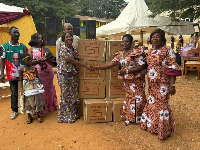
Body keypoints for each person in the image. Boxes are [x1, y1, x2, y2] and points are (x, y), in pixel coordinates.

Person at [91, 34, 147, 125]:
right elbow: (110, 65)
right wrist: (96, 67)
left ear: (131, 43)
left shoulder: (136, 53)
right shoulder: (120, 54)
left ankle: (141, 117)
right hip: (127, 81)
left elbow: (141, 66)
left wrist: (126, 71)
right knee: (130, 98)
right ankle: (130, 117)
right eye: (123, 41)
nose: (124, 43)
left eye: (127, 41)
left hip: (137, 80)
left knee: (139, 99)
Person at [140, 29, 181, 140]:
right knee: (152, 103)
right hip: (152, 84)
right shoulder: (150, 51)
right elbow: (145, 65)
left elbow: (172, 67)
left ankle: (163, 130)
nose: (155, 38)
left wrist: (172, 85)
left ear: (162, 38)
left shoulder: (168, 50)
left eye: (157, 36)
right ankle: (153, 126)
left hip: (163, 84)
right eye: (153, 37)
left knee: (162, 104)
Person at [57, 32, 90, 123]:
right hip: (64, 76)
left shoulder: (74, 49)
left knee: (74, 95)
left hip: (73, 75)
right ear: (64, 39)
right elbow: (72, 61)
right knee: (66, 96)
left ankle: (74, 114)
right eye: (67, 37)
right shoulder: (63, 49)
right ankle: (66, 117)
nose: (69, 38)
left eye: (70, 36)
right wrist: (86, 66)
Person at [0, 26, 28, 120]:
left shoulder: (23, 47)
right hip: (11, 75)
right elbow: (2, 60)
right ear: (10, 33)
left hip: (23, 75)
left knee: (26, 91)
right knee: (14, 93)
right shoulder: (4, 47)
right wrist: (2, 73)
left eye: (18, 32)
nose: (17, 34)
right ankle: (15, 110)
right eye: (15, 32)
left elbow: (27, 60)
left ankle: (27, 109)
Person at [28, 33, 58, 113]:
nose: (41, 40)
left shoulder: (46, 49)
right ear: (34, 39)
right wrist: (39, 60)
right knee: (39, 90)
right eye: (39, 38)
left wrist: (47, 60)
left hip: (48, 74)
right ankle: (41, 108)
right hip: (37, 75)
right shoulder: (30, 50)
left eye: (41, 38)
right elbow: (29, 62)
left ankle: (50, 105)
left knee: (48, 89)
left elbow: (53, 59)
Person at [19, 53, 45, 124]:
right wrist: (21, 88)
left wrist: (40, 84)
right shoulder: (22, 70)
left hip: (34, 87)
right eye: (28, 60)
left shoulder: (34, 68)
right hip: (27, 88)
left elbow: (37, 77)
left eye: (30, 59)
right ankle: (29, 116)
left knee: (36, 100)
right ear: (24, 61)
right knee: (28, 102)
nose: (30, 61)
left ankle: (38, 115)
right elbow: (21, 80)